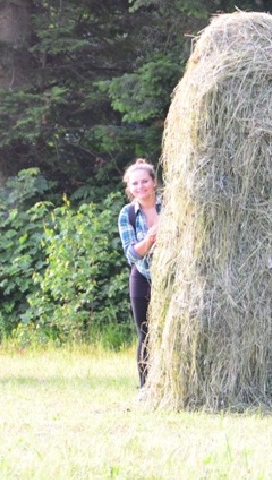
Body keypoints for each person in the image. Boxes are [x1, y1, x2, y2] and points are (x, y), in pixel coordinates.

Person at [118, 158, 161, 389]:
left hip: (171, 279)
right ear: (129, 188)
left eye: (144, 181)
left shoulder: (173, 205)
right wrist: (150, 239)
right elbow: (131, 254)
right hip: (143, 276)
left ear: (153, 182)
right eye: (135, 183)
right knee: (145, 334)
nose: (140, 187)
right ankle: (145, 388)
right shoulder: (127, 214)